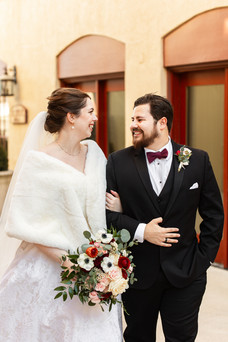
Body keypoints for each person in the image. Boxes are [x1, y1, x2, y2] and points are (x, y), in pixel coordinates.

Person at [0, 88, 122, 342]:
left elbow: (98, 203)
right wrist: (73, 265)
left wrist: (116, 211)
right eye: (90, 112)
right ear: (71, 117)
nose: (95, 118)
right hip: (48, 267)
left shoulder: (95, 153)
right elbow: (28, 223)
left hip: (93, 263)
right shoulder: (39, 161)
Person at [106, 93, 224, 342]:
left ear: (162, 123)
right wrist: (141, 230)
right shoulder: (118, 162)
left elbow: (213, 214)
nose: (133, 124)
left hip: (186, 272)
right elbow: (105, 216)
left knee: (182, 338)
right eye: (132, 119)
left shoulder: (198, 160)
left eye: (140, 119)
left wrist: (203, 259)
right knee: (137, 337)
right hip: (137, 273)